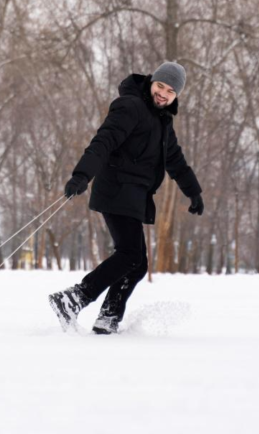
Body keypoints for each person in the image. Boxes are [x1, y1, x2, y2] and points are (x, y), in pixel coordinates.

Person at [49, 62, 204, 334]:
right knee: (131, 255)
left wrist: (193, 191)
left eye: (170, 91)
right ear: (151, 82)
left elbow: (175, 160)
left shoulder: (163, 122)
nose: (163, 94)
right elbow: (104, 140)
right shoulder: (130, 106)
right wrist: (82, 175)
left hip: (134, 195)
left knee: (137, 263)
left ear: (176, 95)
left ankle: (108, 318)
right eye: (160, 86)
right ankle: (73, 299)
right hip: (117, 189)